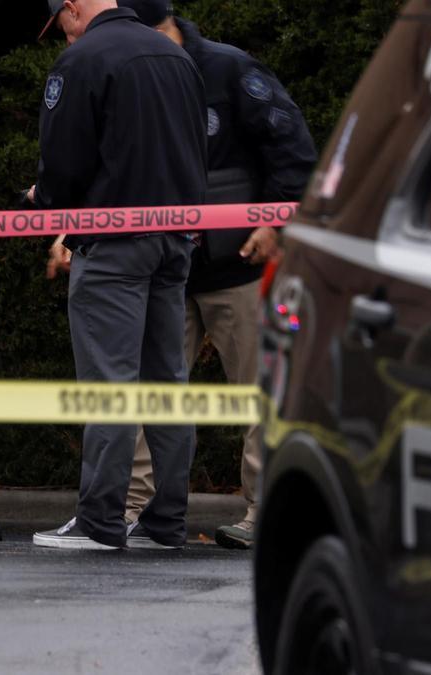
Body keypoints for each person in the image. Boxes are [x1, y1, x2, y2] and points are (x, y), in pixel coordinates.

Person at [113, 0, 318, 550]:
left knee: (260, 391)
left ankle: (267, 510)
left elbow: (292, 150)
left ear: (165, 29)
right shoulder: (131, 76)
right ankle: (137, 510)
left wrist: (277, 221)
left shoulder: (231, 70)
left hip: (238, 263)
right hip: (162, 265)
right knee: (148, 393)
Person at [27, 0, 208, 551]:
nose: (63, 35)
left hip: (113, 243)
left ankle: (101, 520)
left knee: (110, 382)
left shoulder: (82, 60)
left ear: (75, 10)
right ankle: (165, 520)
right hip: (176, 237)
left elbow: (63, 159)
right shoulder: (175, 56)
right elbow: (200, 145)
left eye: (60, 23)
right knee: (166, 382)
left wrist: (50, 206)